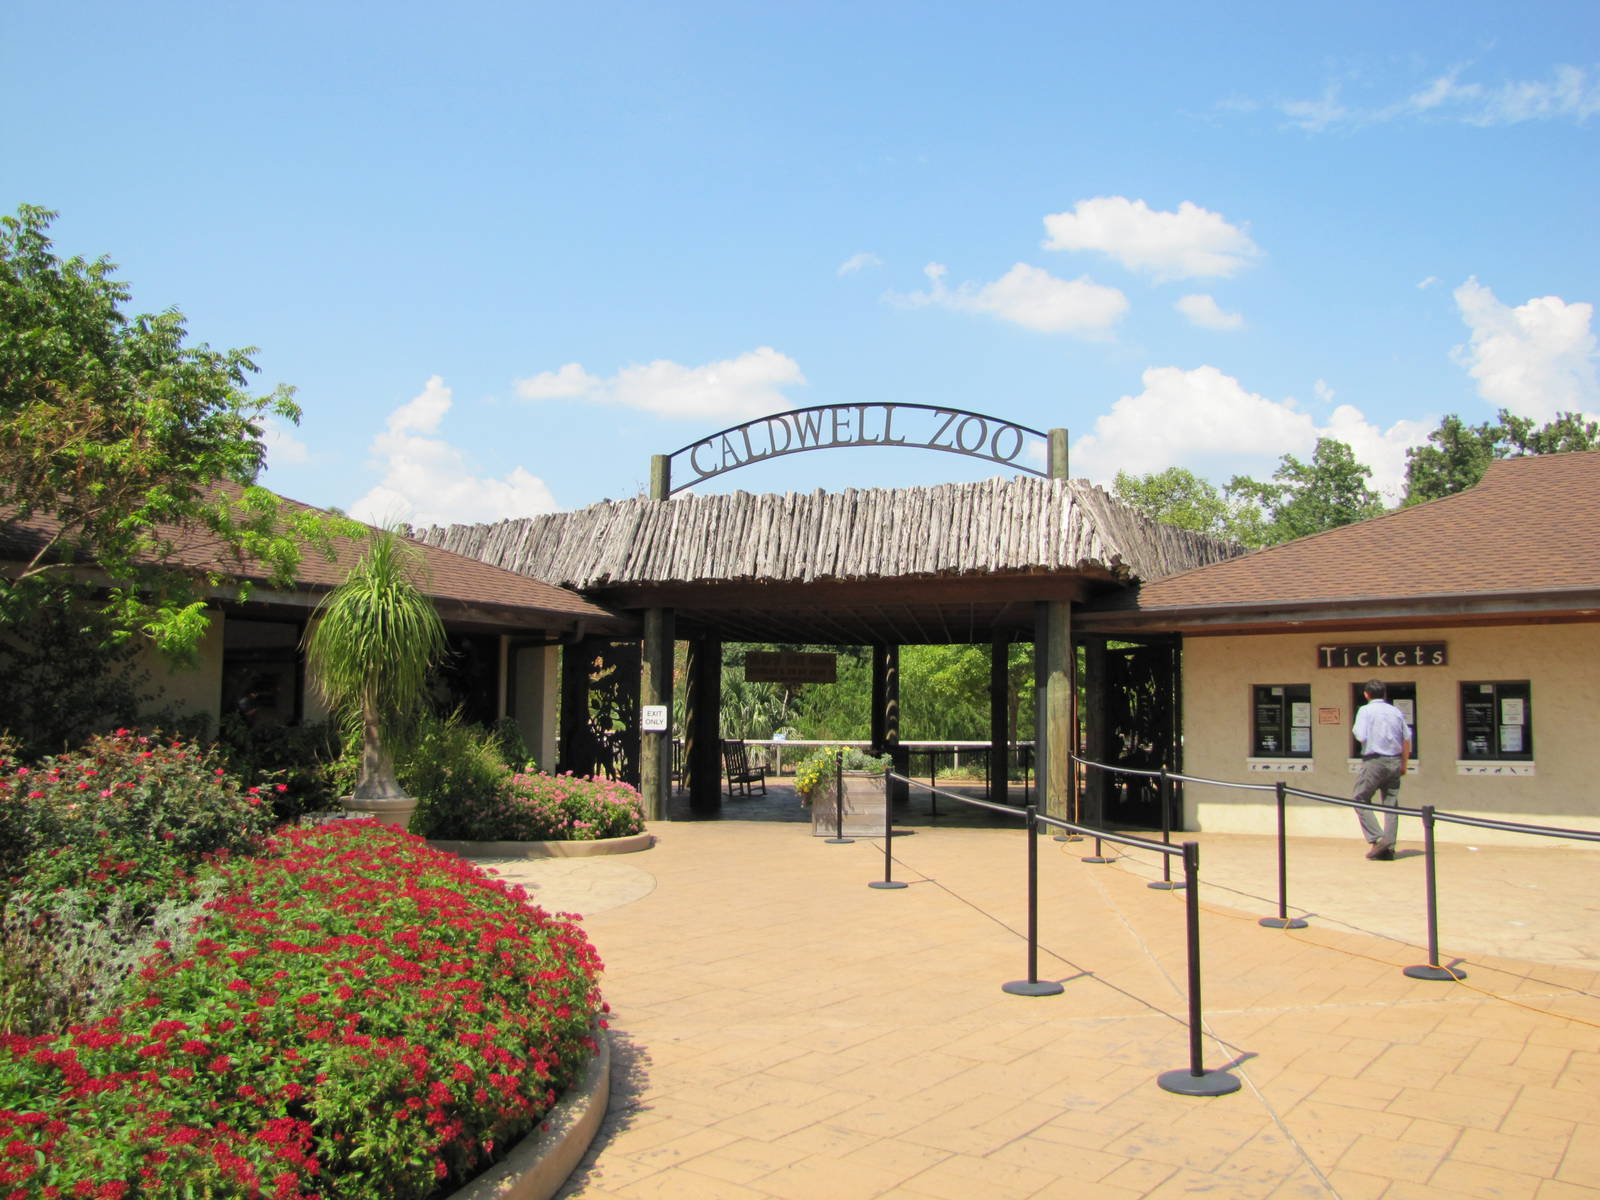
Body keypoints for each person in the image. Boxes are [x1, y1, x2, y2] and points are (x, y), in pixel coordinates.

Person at [1351, 679, 1410, 860]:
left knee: (1359, 798)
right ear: (1384, 694)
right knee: (1391, 803)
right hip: (1395, 760)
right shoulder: (1395, 711)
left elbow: (1360, 735)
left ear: (1366, 694)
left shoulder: (1365, 710)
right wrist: (1404, 763)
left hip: (1374, 760)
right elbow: (1407, 738)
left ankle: (1378, 839)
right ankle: (1388, 847)